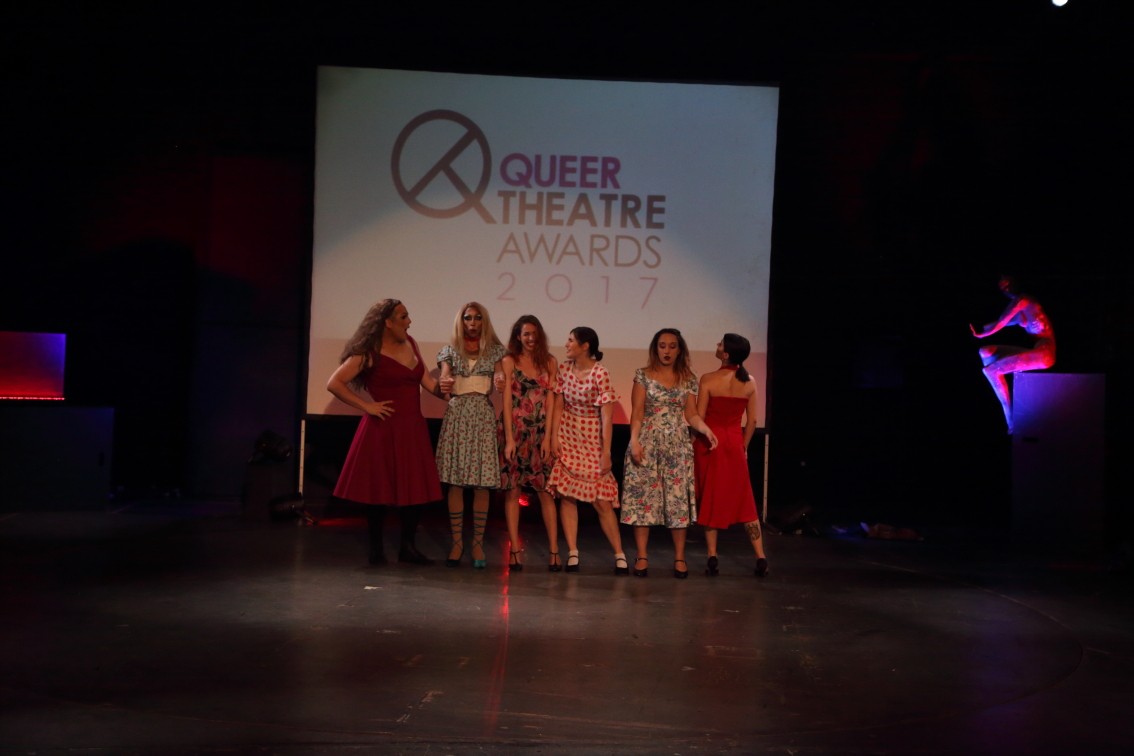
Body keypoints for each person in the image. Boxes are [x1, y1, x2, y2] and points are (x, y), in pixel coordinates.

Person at [327, 299, 450, 566]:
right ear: (388, 322)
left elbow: (427, 383)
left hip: (412, 427)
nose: (409, 321)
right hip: (383, 427)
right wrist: (367, 406)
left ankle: (408, 547)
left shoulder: (411, 343)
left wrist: (446, 390)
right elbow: (334, 383)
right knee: (378, 489)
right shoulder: (369, 352)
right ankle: (376, 549)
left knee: (414, 488)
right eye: (403, 317)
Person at [621, 329, 718, 579]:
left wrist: (706, 429)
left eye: (672, 346)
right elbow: (637, 412)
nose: (667, 351)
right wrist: (634, 441)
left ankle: (679, 557)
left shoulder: (688, 378)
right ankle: (642, 556)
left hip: (676, 445)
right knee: (643, 500)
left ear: (679, 350)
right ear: (656, 349)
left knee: (677, 502)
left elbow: (691, 414)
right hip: (647, 442)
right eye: (662, 346)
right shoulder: (643, 375)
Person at [547, 327, 628, 575]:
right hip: (568, 433)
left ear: (585, 346)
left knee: (601, 500)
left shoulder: (600, 373)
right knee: (567, 495)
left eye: (571, 340)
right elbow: (559, 405)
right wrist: (554, 437)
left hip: (592, 436)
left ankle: (619, 554)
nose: (566, 344)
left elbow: (607, 417)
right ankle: (573, 551)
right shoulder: (564, 369)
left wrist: (606, 452)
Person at [435, 302, 506, 569]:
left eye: (477, 318)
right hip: (458, 415)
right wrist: (445, 382)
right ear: (461, 321)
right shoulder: (449, 351)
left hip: (482, 416)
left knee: (481, 483)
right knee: (455, 482)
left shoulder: (495, 351)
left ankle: (477, 542)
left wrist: (500, 380)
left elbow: (500, 375)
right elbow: (445, 378)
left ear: (483, 321)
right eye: (467, 318)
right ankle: (457, 542)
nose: (472, 323)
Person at [694, 333, 769, 577]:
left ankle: (712, 556)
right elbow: (752, 421)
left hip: (710, 444)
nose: (717, 346)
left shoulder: (708, 379)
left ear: (726, 354)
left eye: (720, 344)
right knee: (745, 501)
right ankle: (760, 556)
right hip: (734, 444)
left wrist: (693, 442)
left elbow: (699, 417)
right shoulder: (750, 382)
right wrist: (743, 447)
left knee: (711, 498)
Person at [499, 315, 561, 572]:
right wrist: (509, 439)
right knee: (513, 492)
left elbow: (552, 401)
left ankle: (554, 551)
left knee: (545, 492)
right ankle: (514, 550)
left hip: (539, 435)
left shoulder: (550, 362)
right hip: (515, 433)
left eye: (534, 333)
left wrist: (548, 438)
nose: (531, 338)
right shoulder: (509, 361)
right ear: (518, 336)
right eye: (526, 334)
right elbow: (505, 401)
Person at [970, 274, 1056, 434]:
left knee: (990, 370)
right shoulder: (1021, 313)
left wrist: (983, 334)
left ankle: (1010, 420)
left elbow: (1002, 320)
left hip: (1045, 354)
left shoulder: (1024, 300)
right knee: (985, 351)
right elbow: (1000, 323)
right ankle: (1000, 376)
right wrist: (981, 328)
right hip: (1036, 351)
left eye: (1008, 285)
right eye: (1003, 288)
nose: (1007, 290)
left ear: (1016, 283)